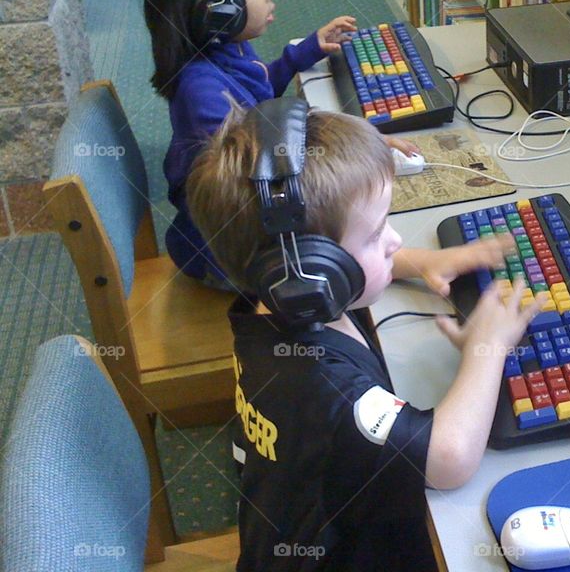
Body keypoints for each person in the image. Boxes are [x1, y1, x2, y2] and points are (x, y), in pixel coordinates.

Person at [186, 100, 548, 571]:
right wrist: (487, 348)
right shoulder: (325, 383)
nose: (395, 240)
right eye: (377, 234)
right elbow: (449, 460)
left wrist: (426, 262)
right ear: (317, 274)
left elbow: (344, 264)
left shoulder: (275, 303)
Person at [137, 0, 415, 286]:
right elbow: (258, 195)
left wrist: (305, 51)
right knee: (355, 250)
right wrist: (351, 150)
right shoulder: (202, 94)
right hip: (229, 256)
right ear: (216, 9)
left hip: (246, 225)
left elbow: (258, 87)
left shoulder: (223, 50)